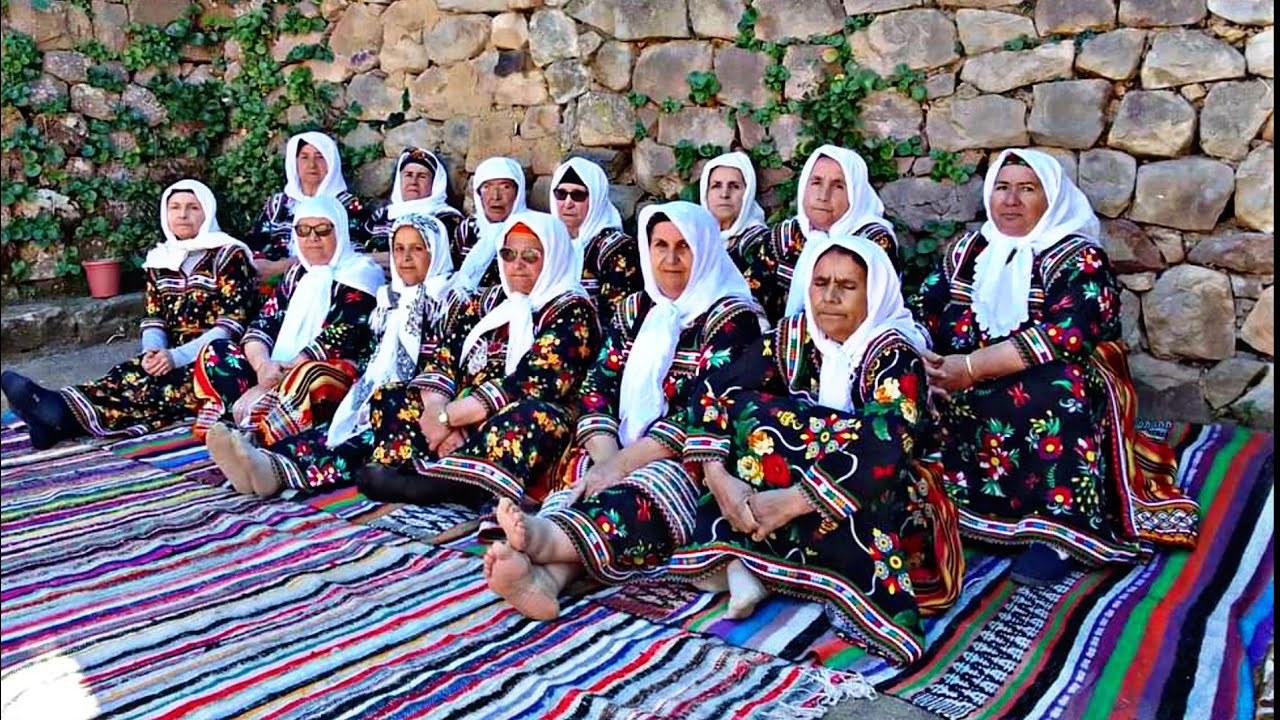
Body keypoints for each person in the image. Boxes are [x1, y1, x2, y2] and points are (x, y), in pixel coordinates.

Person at [909, 148, 1200, 587]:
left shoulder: (1078, 258)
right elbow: (923, 310)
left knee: (1057, 389)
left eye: (1027, 189)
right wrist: (928, 362)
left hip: (1051, 377)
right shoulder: (967, 250)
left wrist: (971, 367)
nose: (1010, 200)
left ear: (1052, 198)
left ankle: (1059, 532)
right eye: (1002, 188)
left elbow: (1069, 334)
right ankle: (948, 504)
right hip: (958, 374)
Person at [666, 236, 962, 667]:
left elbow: (885, 445)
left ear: (873, 292)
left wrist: (791, 502)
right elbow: (713, 387)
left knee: (849, 438)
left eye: (847, 285)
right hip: (784, 496)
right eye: (820, 282)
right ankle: (753, 562)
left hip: (888, 493)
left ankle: (770, 562)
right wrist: (719, 477)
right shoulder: (795, 337)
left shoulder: (895, 355)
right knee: (754, 411)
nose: (830, 297)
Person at [482, 202, 768, 620]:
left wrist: (622, 465)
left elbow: (701, 412)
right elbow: (598, 386)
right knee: (584, 478)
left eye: (683, 248)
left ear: (705, 250)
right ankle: (547, 580)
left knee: (647, 491)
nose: (669, 260)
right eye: (660, 246)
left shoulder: (731, 319)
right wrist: (605, 458)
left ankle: (544, 540)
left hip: (688, 458)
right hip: (616, 449)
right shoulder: (636, 310)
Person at [355, 210, 601, 508]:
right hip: (459, 410)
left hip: (522, 409)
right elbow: (447, 356)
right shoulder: (489, 300)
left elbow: (537, 381)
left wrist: (451, 417)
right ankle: (413, 468)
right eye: (509, 254)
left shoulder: (571, 309)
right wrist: (437, 411)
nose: (517, 265)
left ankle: (462, 484)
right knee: (392, 395)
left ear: (553, 257)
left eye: (531, 256)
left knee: (527, 417)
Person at [205, 214, 457, 496]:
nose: (406, 258)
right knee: (335, 429)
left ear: (435, 252)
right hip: (373, 393)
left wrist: (443, 414)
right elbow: (371, 355)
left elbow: (449, 361)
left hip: (420, 404)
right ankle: (265, 462)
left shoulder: (450, 300)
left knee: (362, 436)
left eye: (417, 249)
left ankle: (273, 468)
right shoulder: (389, 299)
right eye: (399, 248)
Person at [1, 180, 258, 449]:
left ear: (207, 212)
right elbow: (154, 319)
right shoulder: (160, 260)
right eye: (175, 207)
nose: (182, 215)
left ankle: (58, 417)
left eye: (193, 207)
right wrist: (152, 353)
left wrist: (176, 357)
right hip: (170, 354)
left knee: (160, 389)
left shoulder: (229, 255)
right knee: (127, 375)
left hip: (219, 357)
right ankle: (56, 417)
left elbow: (231, 325)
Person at [192, 196, 384, 446]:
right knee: (215, 351)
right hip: (274, 372)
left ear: (340, 231)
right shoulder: (296, 274)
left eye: (323, 230)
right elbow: (263, 325)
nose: (312, 238)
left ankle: (257, 430)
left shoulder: (362, 276)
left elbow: (337, 339)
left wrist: (269, 384)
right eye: (303, 231)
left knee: (310, 375)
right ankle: (240, 423)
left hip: (323, 370)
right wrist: (262, 367)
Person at [740, 144, 897, 321]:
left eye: (838, 186)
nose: (823, 195)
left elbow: (866, 311)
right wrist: (759, 329)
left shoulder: (872, 243)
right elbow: (750, 291)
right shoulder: (786, 236)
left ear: (855, 193)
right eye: (816, 182)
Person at [246, 131, 368, 279]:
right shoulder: (278, 204)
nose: (312, 165)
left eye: (319, 157)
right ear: (294, 162)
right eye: (304, 157)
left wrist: (282, 267)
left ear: (331, 162)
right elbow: (255, 242)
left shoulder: (346, 205)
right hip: (270, 281)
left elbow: (351, 252)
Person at [549, 157, 641, 324]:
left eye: (578, 195)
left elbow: (616, 315)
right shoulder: (549, 242)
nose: (567, 203)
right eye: (561, 194)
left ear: (596, 198)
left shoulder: (617, 249)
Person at [361, 148, 465, 270]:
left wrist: (367, 259)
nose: (413, 182)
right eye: (408, 175)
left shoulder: (446, 219)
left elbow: (431, 260)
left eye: (422, 176)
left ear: (435, 183)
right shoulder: (383, 215)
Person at [450, 156, 528, 293]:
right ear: (478, 193)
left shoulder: (531, 231)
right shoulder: (468, 230)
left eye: (506, 187)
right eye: (487, 187)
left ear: (518, 192)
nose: (496, 196)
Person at [699, 151, 769, 272]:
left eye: (734, 186)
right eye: (716, 186)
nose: (724, 194)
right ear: (706, 193)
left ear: (747, 194)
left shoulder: (763, 244)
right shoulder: (695, 239)